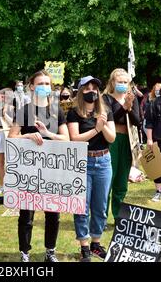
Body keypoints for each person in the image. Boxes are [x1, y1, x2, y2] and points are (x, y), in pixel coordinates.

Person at [8, 70, 70, 263]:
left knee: (53, 214)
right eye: (40, 83)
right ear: (32, 86)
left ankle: (50, 251)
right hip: (29, 171)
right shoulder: (24, 111)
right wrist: (27, 136)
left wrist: (47, 134)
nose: (44, 87)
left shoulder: (57, 110)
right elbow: (12, 137)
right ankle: (24, 252)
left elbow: (66, 139)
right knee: (26, 214)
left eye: (47, 84)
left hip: (52, 170)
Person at [67, 76, 116, 262]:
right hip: (83, 162)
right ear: (80, 91)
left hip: (103, 161)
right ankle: (84, 246)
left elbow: (111, 138)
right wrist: (96, 129)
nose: (91, 91)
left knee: (100, 206)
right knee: (82, 206)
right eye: (87, 88)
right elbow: (75, 138)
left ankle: (96, 243)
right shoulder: (74, 113)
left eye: (94, 88)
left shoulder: (106, 111)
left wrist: (102, 126)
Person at [103, 68, 140, 221]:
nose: (123, 85)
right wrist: (124, 108)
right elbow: (111, 119)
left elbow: (137, 121)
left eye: (126, 82)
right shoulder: (106, 98)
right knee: (107, 179)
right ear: (113, 82)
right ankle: (101, 216)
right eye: (120, 82)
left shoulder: (132, 98)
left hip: (128, 141)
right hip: (111, 140)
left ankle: (119, 215)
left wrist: (129, 108)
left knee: (122, 180)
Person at [0, 88, 14, 195]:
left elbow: (14, 124)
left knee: (9, 163)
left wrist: (5, 114)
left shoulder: (13, 108)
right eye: (2, 96)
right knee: (0, 163)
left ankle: (12, 185)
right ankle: (2, 185)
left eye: (5, 96)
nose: (3, 98)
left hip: (9, 134)